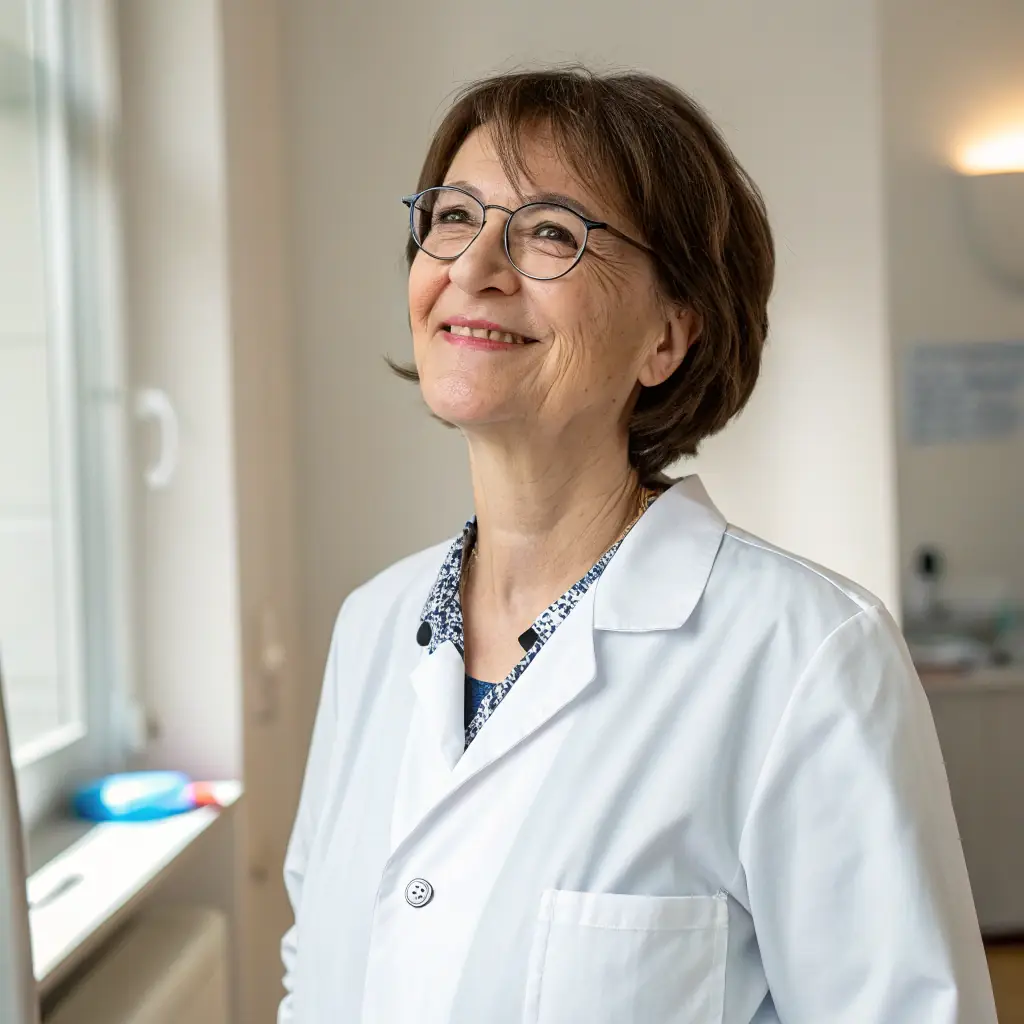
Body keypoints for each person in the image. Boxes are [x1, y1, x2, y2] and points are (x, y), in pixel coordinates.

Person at [278, 66, 996, 1023]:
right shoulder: (373, 628)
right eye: (453, 216)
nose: (475, 268)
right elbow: (315, 977)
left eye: (549, 232)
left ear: (668, 336)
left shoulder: (804, 655)